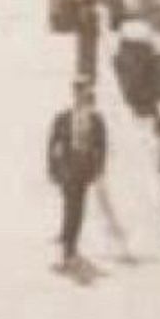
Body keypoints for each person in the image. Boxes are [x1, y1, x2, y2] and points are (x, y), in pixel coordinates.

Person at [47, 78, 108, 266]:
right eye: (78, 93)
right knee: (71, 204)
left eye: (84, 94)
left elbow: (101, 146)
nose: (81, 98)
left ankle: (69, 237)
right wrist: (52, 167)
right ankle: (69, 244)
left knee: (78, 206)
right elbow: (52, 145)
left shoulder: (96, 120)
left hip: (84, 168)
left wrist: (99, 168)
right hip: (68, 166)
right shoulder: (63, 118)